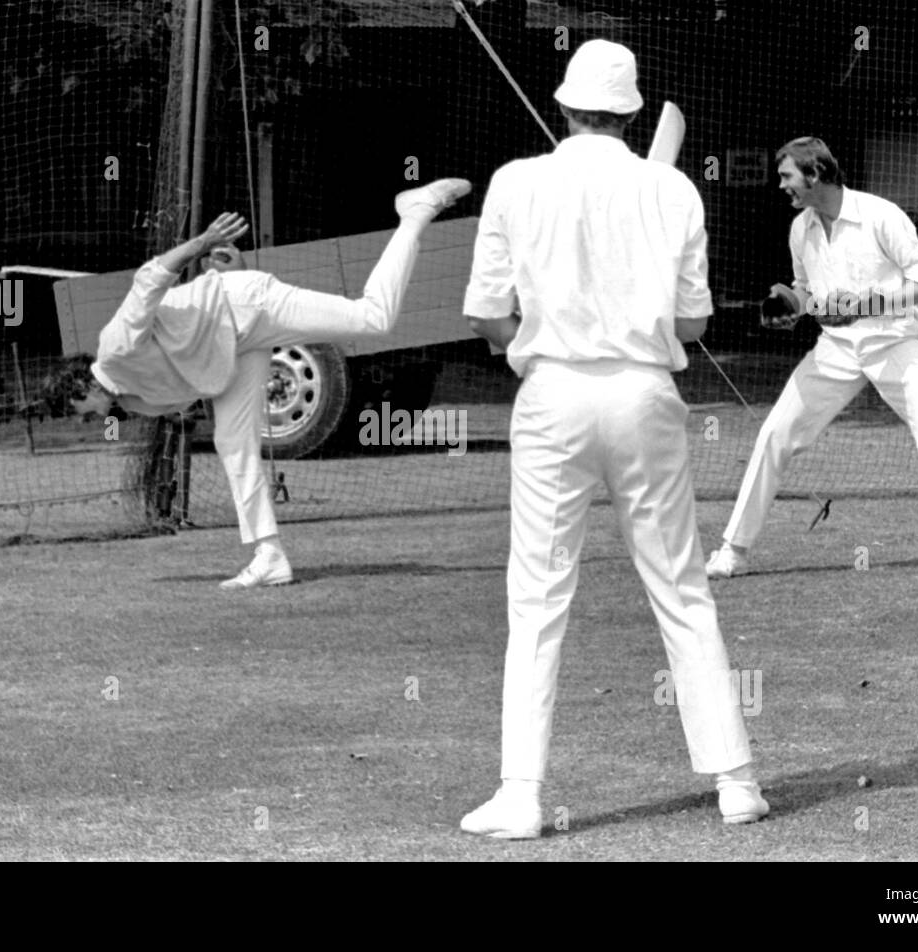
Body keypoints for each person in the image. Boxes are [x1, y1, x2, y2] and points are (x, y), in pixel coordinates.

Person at [458, 39, 767, 839]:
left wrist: (528, 333)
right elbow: (694, 323)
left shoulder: (516, 182)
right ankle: (735, 781)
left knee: (537, 598)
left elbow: (489, 318)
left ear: (563, 107)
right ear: (629, 113)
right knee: (680, 585)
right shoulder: (671, 191)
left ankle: (522, 795)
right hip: (643, 394)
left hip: (553, 393)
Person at [68, 178, 472, 589]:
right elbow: (193, 377)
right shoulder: (132, 401)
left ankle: (416, 213)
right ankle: (270, 556)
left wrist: (205, 241)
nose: (85, 424)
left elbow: (149, 279)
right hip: (234, 349)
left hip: (248, 306)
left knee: (373, 319)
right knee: (231, 441)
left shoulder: (114, 348)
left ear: (80, 389)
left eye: (78, 414)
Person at [706, 137, 918, 580]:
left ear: (815, 174)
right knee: (774, 434)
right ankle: (733, 550)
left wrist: (867, 304)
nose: (781, 186)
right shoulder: (801, 228)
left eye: (787, 176)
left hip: (895, 345)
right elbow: (809, 291)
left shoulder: (881, 215)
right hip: (835, 350)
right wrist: (791, 305)